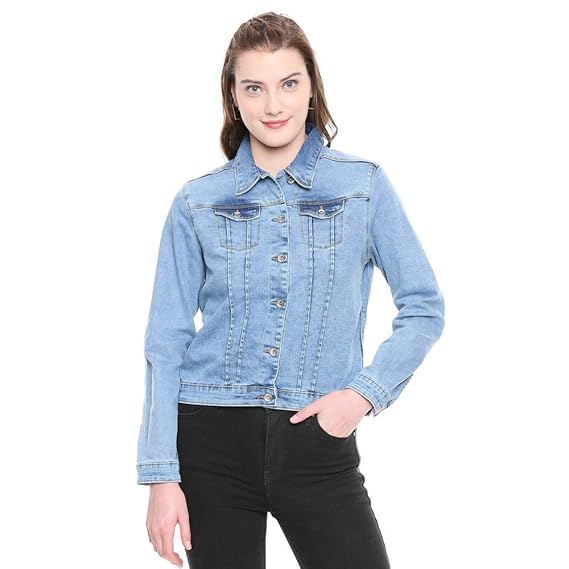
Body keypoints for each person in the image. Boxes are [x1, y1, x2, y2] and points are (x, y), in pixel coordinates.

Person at [136, 11, 445, 569]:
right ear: (233, 97)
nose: (273, 105)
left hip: (318, 439)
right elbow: (166, 340)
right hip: (210, 441)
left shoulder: (363, 186)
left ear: (311, 88)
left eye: (288, 83)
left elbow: (424, 307)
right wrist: (161, 475)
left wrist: (362, 396)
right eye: (254, 87)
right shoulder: (196, 202)